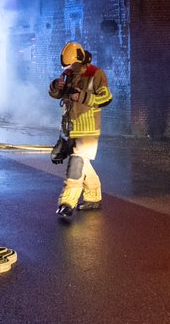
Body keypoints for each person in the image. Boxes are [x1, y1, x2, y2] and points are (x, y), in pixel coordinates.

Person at [49, 41, 113, 218]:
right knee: (83, 162)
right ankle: (93, 197)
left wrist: (81, 96)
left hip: (88, 129)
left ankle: (67, 202)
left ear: (80, 60)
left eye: (71, 65)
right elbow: (57, 95)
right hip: (71, 127)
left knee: (76, 163)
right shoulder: (69, 73)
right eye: (67, 66)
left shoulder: (96, 74)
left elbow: (106, 98)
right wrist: (56, 85)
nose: (69, 68)